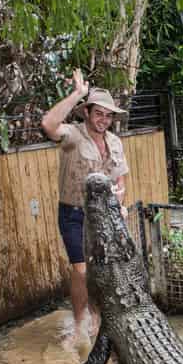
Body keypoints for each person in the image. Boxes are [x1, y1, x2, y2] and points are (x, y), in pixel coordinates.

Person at [41, 69, 129, 348]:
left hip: (103, 216)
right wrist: (77, 94)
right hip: (74, 214)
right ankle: (79, 325)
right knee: (80, 271)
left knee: (99, 270)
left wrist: (120, 204)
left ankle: (97, 318)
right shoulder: (73, 136)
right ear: (87, 113)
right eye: (99, 113)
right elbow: (48, 124)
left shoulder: (115, 142)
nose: (104, 120)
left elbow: (120, 180)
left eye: (108, 115)